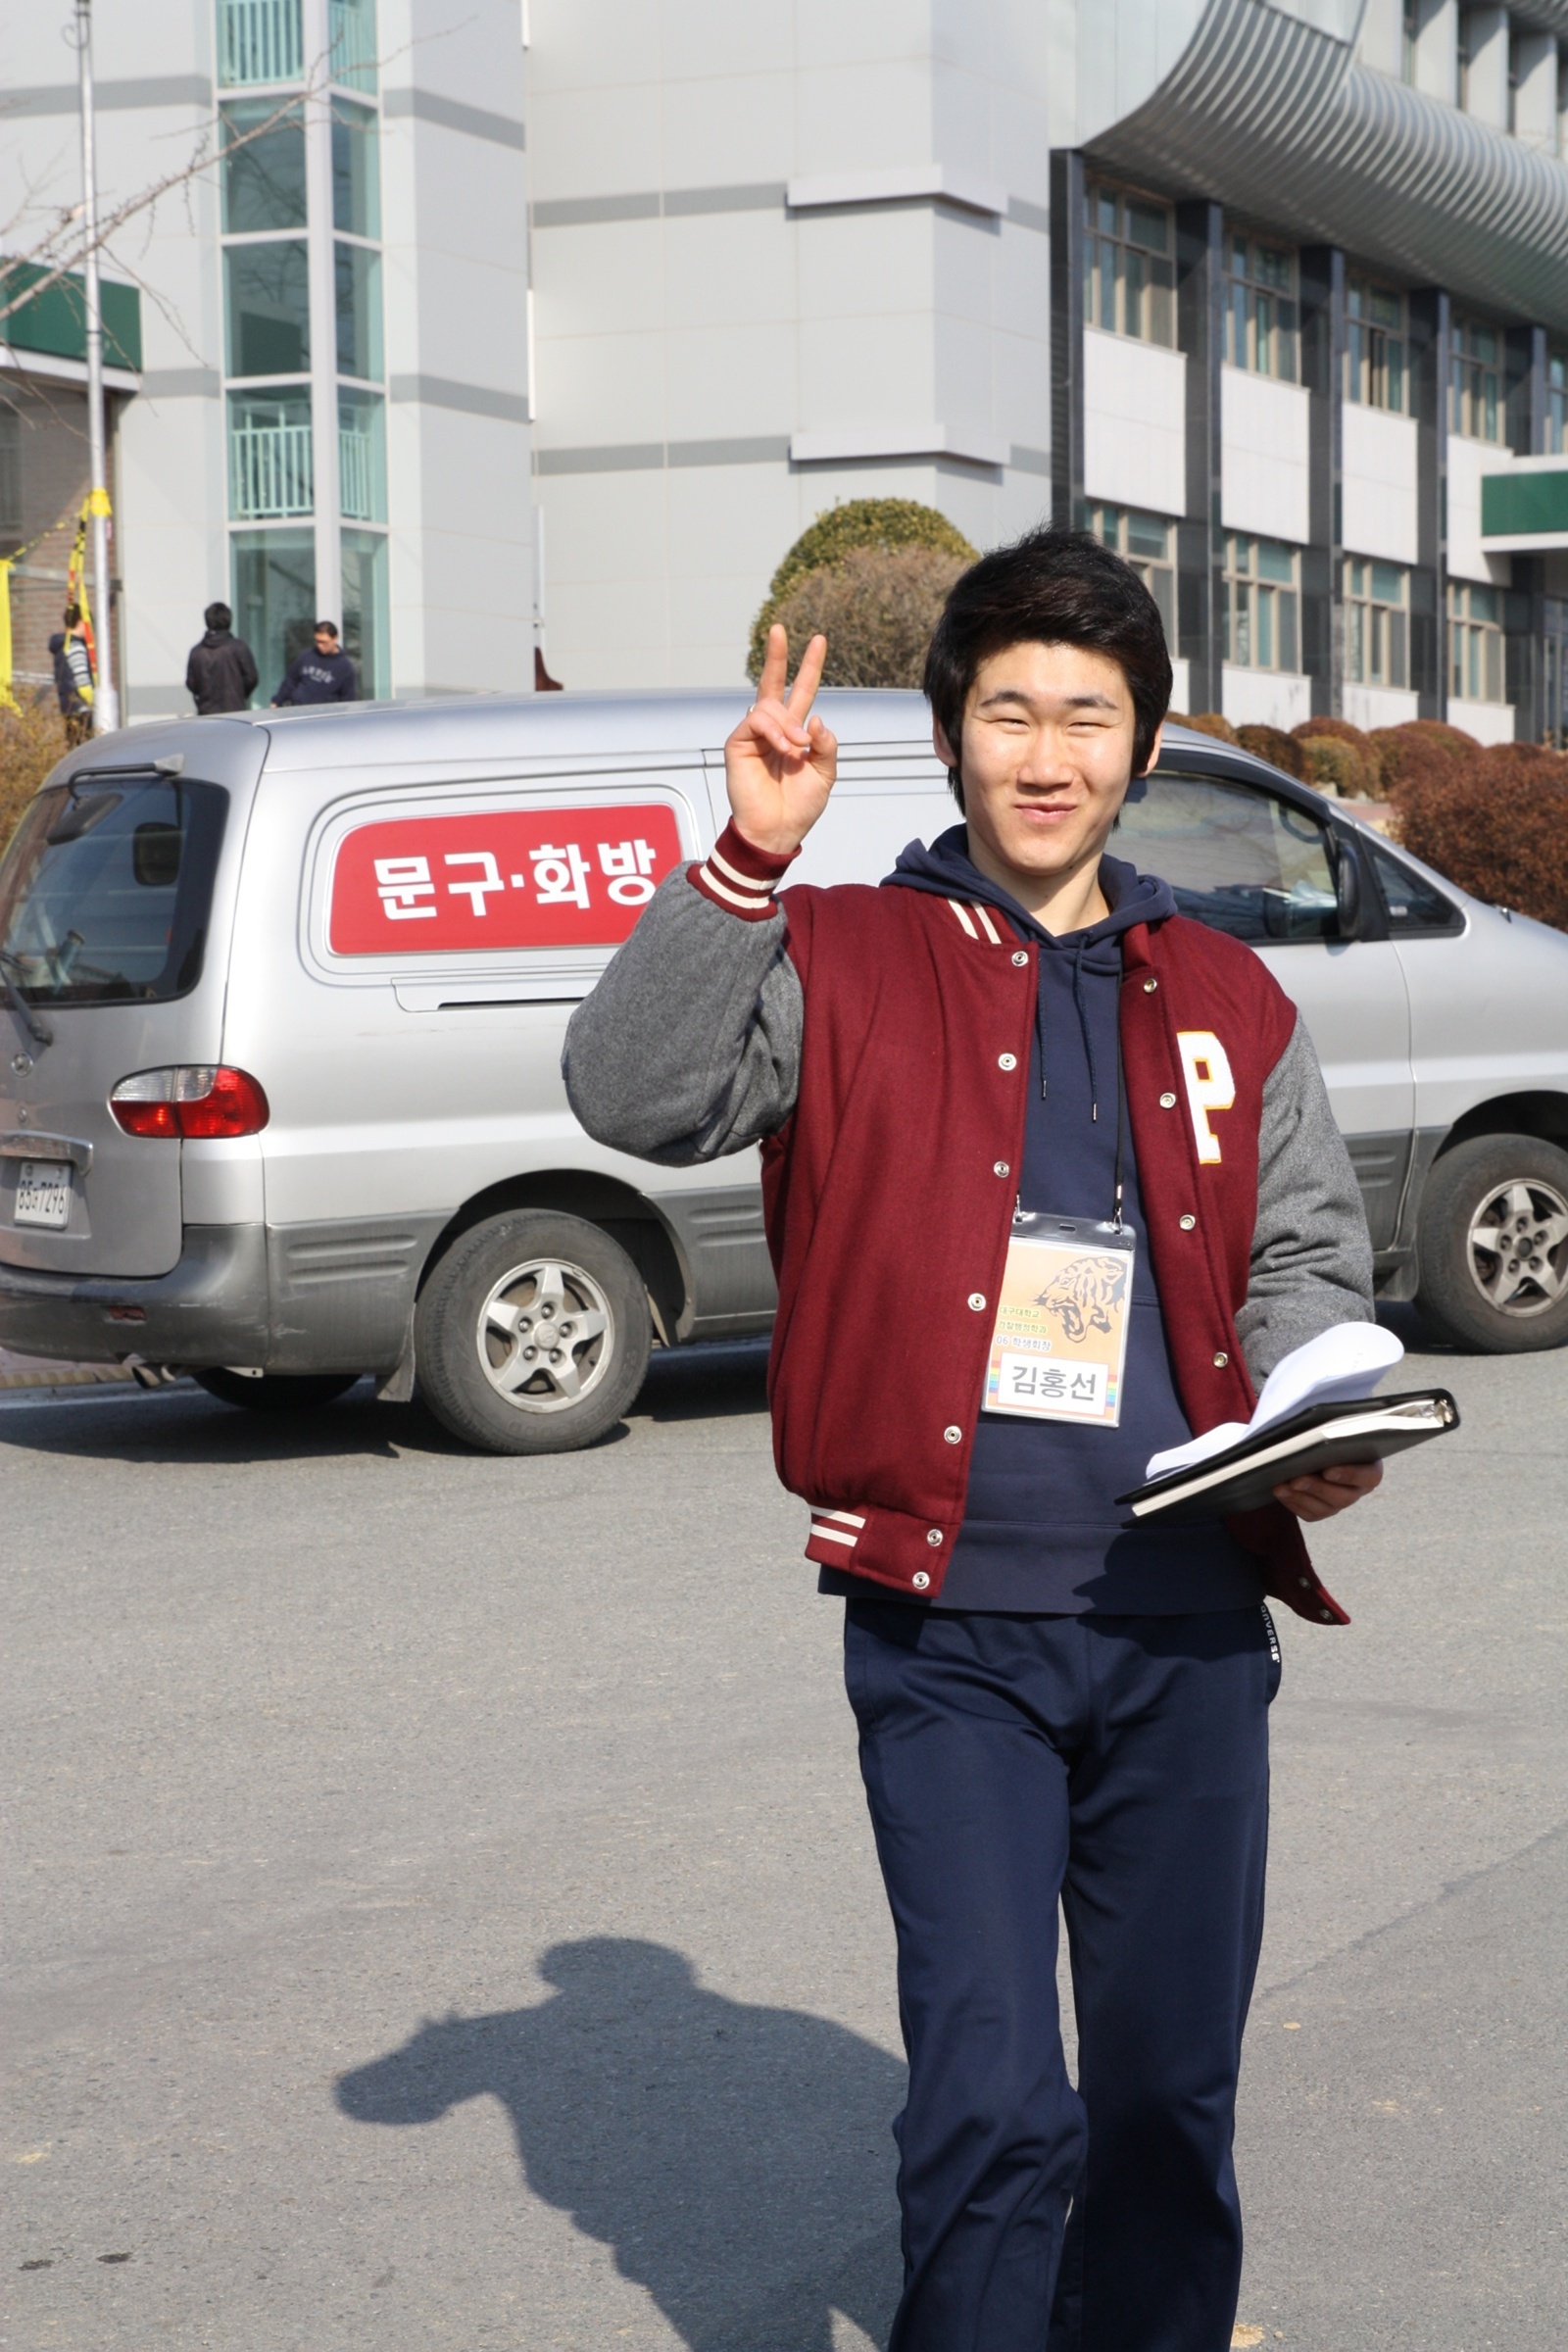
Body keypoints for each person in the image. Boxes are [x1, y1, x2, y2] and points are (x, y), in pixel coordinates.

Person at [563, 527, 1384, 2352]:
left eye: (1088, 717)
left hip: (1187, 1626)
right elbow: (632, 1091)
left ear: (1142, 746)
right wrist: (749, 856)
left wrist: (1314, 1416)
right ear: (948, 735)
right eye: (1009, 711)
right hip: (951, 1637)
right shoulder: (839, 954)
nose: (1047, 754)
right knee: (994, 2103)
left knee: (1168, 2104)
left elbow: (1306, 1258)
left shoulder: (1230, 995)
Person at [185, 601, 259, 715]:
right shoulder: (238, 647)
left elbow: (191, 683)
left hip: (207, 713)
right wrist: (238, 693)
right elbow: (251, 678)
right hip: (235, 712)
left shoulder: (197, 652)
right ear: (229, 621)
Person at [271, 619, 357, 706]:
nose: (320, 645)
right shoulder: (306, 656)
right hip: (298, 708)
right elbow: (290, 681)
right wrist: (277, 701)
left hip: (322, 712)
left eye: (324, 642)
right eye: (317, 641)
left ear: (334, 639)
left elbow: (347, 699)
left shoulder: (344, 667)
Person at [48, 605, 94, 745]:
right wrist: (96, 703)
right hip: (81, 710)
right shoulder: (76, 647)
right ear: (80, 621)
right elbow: (82, 682)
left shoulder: (63, 646)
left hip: (69, 708)